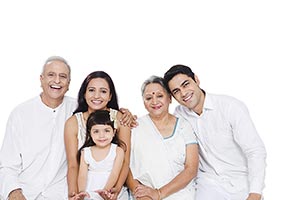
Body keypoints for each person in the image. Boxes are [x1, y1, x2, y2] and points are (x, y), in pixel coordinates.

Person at [163, 65, 267, 200]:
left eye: (186, 84)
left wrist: (255, 193)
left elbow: (255, 151)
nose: (183, 93)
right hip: (208, 183)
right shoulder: (180, 115)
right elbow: (160, 127)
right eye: (176, 91)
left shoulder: (230, 107)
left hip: (241, 182)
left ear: (196, 80)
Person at [0, 56, 77, 199]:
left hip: (61, 194)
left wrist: (123, 113)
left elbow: (105, 113)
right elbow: (7, 165)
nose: (57, 81)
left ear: (69, 83)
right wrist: (14, 192)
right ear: (41, 79)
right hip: (25, 191)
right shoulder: (20, 113)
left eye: (63, 76)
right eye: (51, 75)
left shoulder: (78, 109)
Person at [126, 75, 199, 200]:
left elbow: (191, 169)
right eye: (149, 98)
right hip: (145, 195)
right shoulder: (135, 126)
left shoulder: (184, 126)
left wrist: (159, 193)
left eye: (160, 96)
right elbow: (126, 166)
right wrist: (140, 194)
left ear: (170, 98)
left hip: (181, 193)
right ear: (144, 102)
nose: (154, 102)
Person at [64, 71, 132, 200]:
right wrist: (74, 194)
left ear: (110, 96)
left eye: (103, 91)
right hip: (85, 189)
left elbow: (125, 161)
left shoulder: (120, 118)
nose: (97, 96)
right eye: (91, 90)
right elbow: (73, 164)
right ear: (84, 93)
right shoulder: (73, 122)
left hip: (113, 191)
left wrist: (115, 190)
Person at [76, 110, 126, 200]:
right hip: (90, 190)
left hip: (109, 190)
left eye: (106, 131)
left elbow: (115, 173)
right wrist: (81, 192)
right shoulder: (86, 152)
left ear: (114, 132)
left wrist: (106, 190)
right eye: (96, 131)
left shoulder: (118, 151)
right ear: (90, 133)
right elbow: (82, 175)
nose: (101, 135)